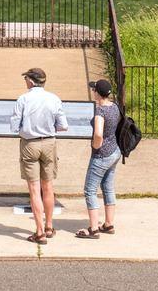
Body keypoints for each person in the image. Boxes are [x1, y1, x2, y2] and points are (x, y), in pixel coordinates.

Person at [10, 67, 68, 243]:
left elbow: (14, 126)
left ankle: (40, 231)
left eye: (26, 78)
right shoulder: (54, 99)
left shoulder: (23, 99)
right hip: (49, 142)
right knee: (48, 186)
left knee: (34, 189)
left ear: (31, 81)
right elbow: (63, 125)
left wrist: (26, 129)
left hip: (30, 143)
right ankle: (49, 226)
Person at [76, 78, 121, 239]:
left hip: (101, 155)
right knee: (108, 187)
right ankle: (108, 224)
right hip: (115, 151)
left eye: (94, 89)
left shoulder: (100, 111)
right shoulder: (114, 107)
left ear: (97, 93)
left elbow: (98, 134)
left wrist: (96, 146)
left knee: (90, 190)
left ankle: (94, 228)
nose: (92, 91)